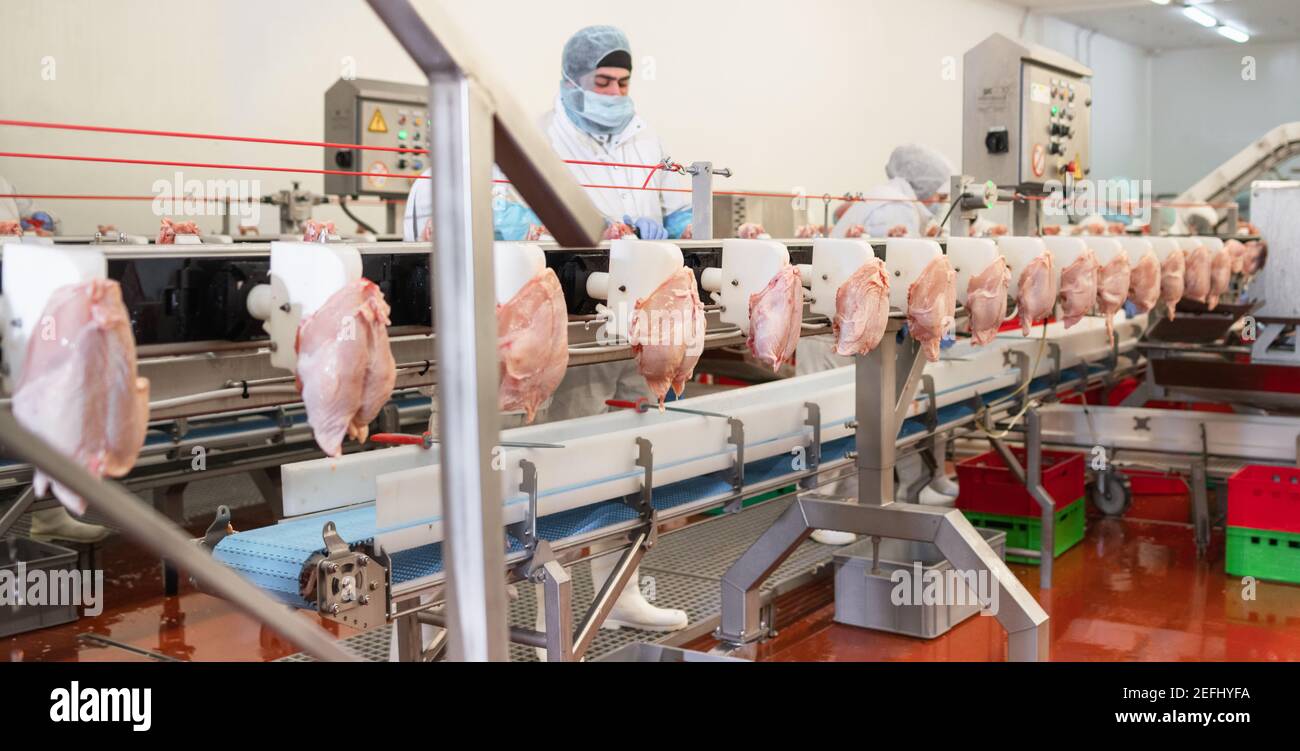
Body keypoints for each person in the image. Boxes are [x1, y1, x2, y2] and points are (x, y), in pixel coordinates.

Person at [400, 26, 690, 649]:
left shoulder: (647, 141)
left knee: (632, 450)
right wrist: (539, 223)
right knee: (563, 454)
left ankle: (622, 592)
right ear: (571, 82)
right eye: (602, 83)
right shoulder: (539, 138)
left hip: (638, 312)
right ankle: (498, 603)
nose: (613, 93)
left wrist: (687, 222)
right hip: (569, 314)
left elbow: (677, 213)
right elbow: (507, 212)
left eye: (622, 82)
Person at [801, 145, 961, 545]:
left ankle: (844, 506)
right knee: (831, 419)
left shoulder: (897, 202)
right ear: (923, 182)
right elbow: (891, 272)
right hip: (833, 329)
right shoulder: (894, 208)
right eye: (940, 193)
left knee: (853, 415)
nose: (939, 202)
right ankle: (817, 511)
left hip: (851, 324)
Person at [831, 144, 953, 239]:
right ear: (925, 187)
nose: (941, 204)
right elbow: (897, 264)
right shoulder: (898, 207)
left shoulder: (886, 195)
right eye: (941, 197)